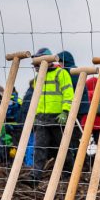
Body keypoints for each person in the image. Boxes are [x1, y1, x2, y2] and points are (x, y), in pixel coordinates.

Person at [30, 47, 74, 185]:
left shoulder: (61, 73)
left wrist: (65, 112)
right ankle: (35, 176)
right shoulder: (38, 78)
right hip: (42, 118)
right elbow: (37, 99)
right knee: (39, 148)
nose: (36, 66)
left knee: (62, 147)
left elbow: (68, 94)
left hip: (57, 117)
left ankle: (67, 175)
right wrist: (35, 116)